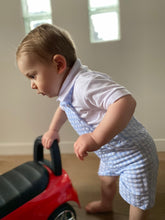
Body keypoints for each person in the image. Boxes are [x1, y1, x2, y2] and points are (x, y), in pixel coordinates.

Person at [16, 23, 159, 220]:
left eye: (33, 75)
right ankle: (106, 203)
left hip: (134, 154)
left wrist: (95, 137)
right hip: (111, 153)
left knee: (138, 199)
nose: (32, 84)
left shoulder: (85, 83)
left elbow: (125, 102)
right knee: (106, 179)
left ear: (58, 64)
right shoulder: (68, 90)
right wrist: (53, 130)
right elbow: (64, 107)